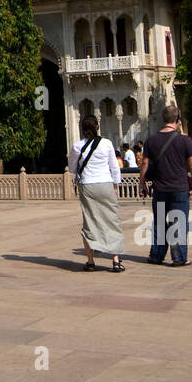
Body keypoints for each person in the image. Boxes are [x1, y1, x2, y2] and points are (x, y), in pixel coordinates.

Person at [139, 105, 192, 266]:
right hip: (179, 189)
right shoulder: (184, 140)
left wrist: (142, 183)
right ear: (177, 120)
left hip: (159, 189)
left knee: (159, 222)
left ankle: (156, 256)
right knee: (178, 223)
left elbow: (144, 164)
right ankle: (178, 258)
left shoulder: (151, 140)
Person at [68, 114, 125, 271]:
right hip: (105, 183)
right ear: (97, 127)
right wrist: (115, 186)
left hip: (87, 186)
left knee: (90, 221)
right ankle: (115, 261)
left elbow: (72, 168)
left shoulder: (77, 146)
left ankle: (91, 261)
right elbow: (114, 167)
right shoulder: (106, 143)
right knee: (111, 220)